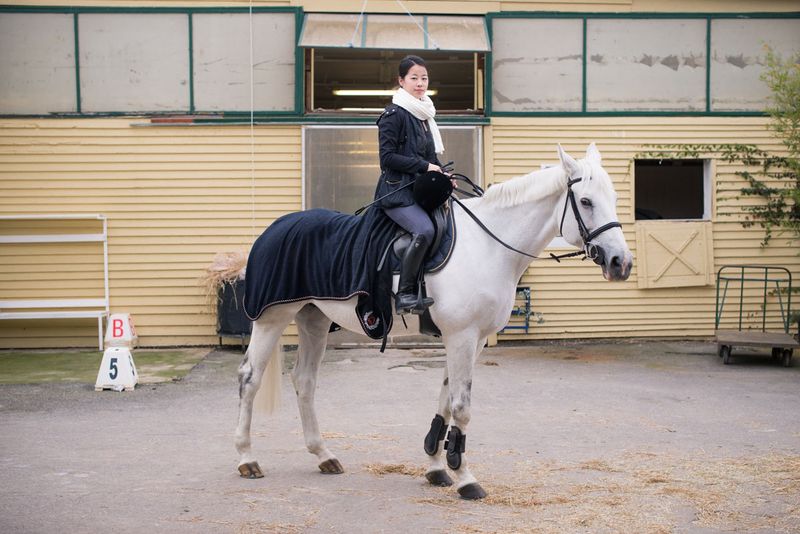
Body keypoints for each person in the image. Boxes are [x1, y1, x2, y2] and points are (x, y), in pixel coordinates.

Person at [374, 55, 447, 315]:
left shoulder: (424, 116)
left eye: (424, 78)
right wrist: (424, 167)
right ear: (401, 81)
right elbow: (387, 158)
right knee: (424, 230)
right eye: (414, 78)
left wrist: (444, 174)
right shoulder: (393, 115)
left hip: (419, 192)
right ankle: (405, 293)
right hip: (396, 193)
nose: (420, 83)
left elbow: (430, 157)